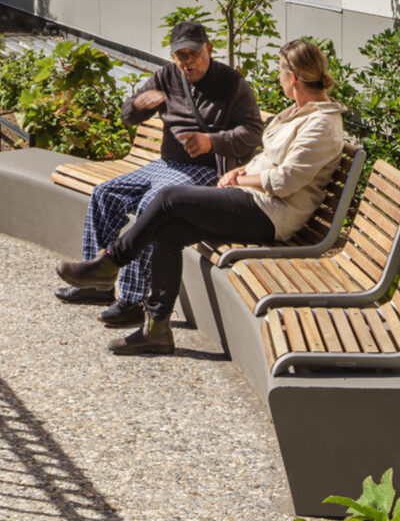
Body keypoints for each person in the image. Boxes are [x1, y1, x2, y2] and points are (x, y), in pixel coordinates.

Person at [58, 40, 348, 356]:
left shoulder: (322, 123)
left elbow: (285, 181)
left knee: (169, 198)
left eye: (280, 72)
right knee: (169, 232)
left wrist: (238, 177)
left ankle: (111, 262)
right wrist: (244, 171)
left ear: (292, 77)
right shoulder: (298, 112)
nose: (279, 79)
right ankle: (156, 329)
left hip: (271, 214)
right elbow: (272, 160)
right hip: (253, 200)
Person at [58, 20, 264, 329]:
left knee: (151, 204)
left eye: (193, 54)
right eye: (180, 55)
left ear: (209, 49)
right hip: (165, 166)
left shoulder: (232, 84)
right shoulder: (167, 76)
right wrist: (138, 105)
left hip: (207, 171)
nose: (187, 62)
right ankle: (97, 285)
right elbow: (128, 115)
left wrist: (212, 141)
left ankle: (131, 301)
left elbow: (252, 132)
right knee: (105, 193)